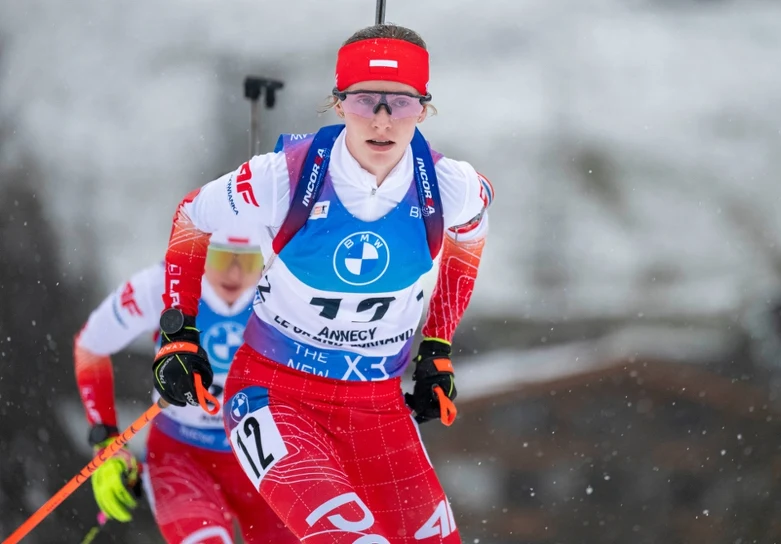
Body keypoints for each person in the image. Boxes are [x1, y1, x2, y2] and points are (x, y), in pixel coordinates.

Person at [151, 23, 493, 544]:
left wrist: (437, 348)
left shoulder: (453, 188)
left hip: (377, 406)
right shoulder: (281, 177)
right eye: (364, 101)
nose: (382, 120)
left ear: (423, 109)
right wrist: (179, 334)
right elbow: (192, 217)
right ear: (338, 103)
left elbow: (470, 240)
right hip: (275, 396)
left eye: (400, 103)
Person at [73, 231, 298, 543]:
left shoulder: (288, 289)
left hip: (265, 455)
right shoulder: (161, 286)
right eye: (221, 258)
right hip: (181, 456)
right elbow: (90, 346)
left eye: (248, 262)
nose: (234, 274)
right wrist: (106, 441)